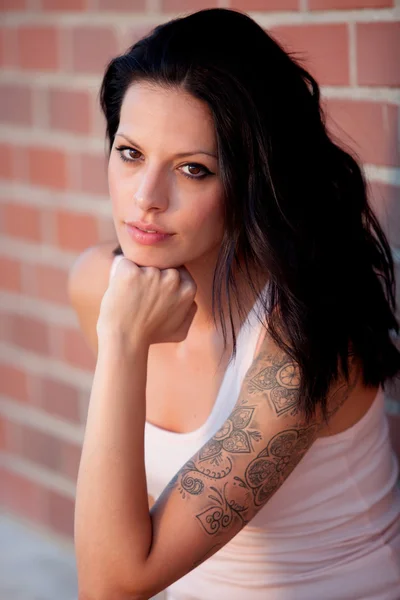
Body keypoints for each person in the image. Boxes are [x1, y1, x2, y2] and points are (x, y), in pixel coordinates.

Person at [69, 8, 400, 600]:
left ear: (252, 180)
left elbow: (112, 584)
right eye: (130, 153)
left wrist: (122, 340)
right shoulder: (103, 284)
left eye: (193, 169)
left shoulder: (302, 338)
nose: (145, 199)